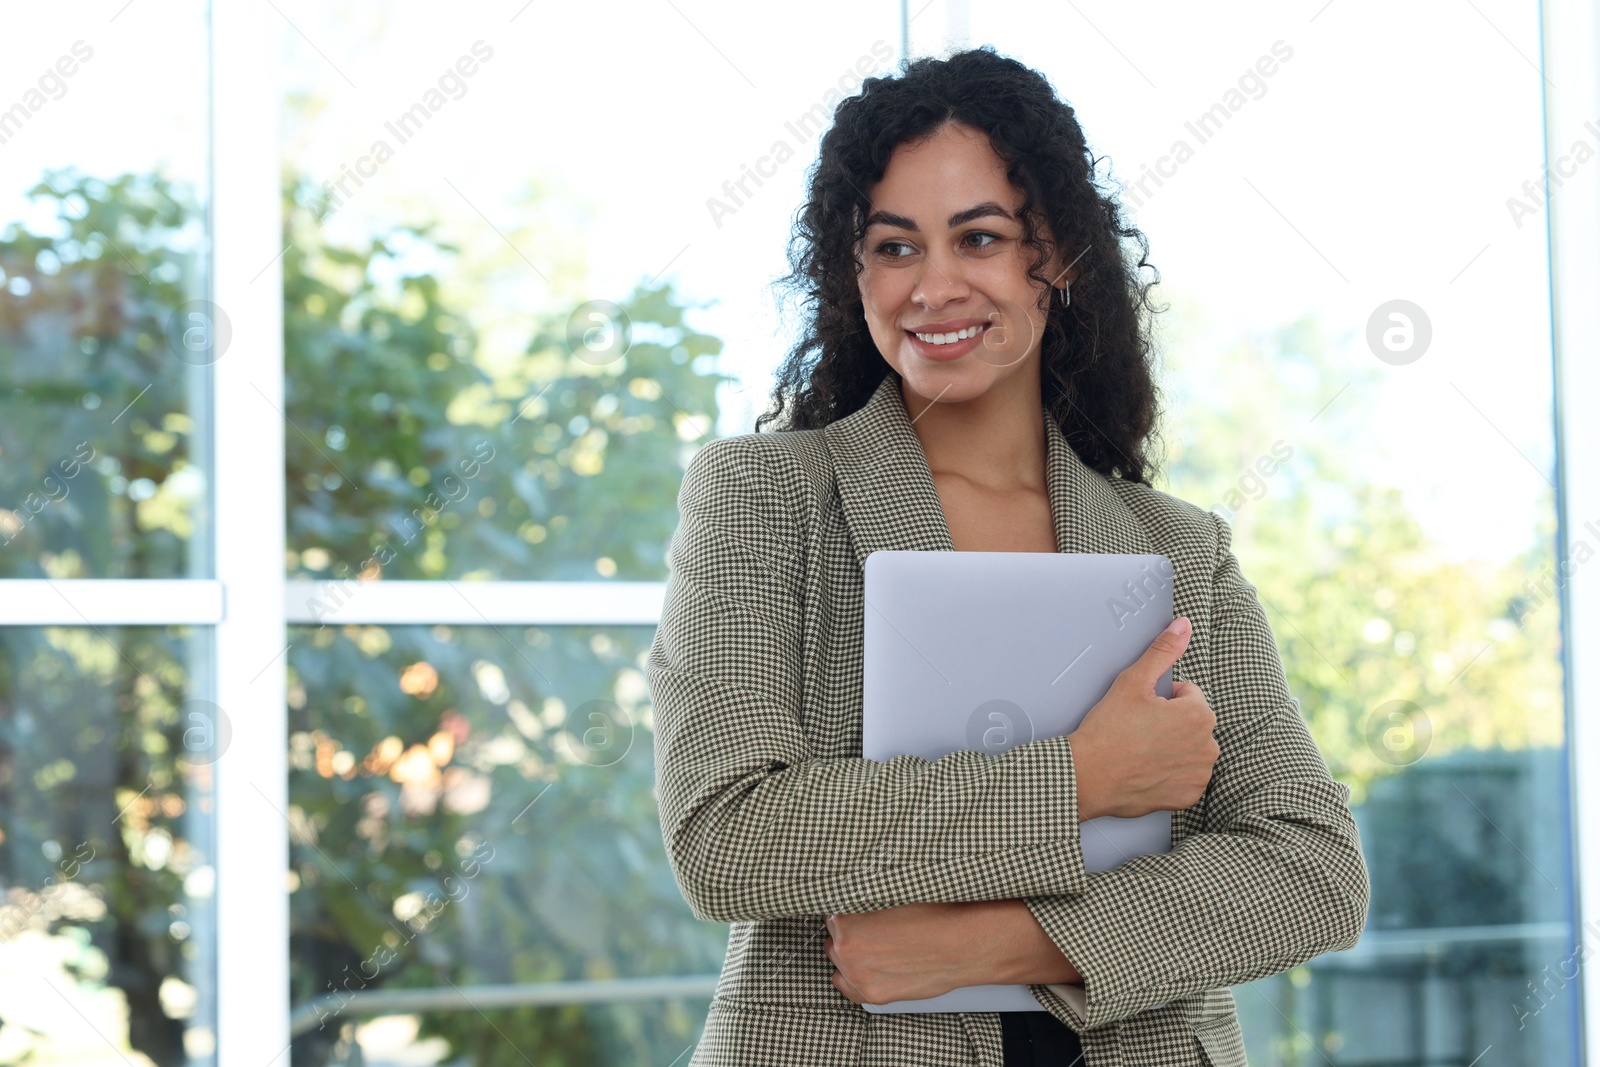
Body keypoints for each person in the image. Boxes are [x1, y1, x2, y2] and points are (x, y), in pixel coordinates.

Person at [646, 46, 1369, 1067]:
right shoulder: (764, 500)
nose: (933, 286)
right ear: (852, 274)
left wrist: (1007, 942)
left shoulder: (1176, 545)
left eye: (977, 238)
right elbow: (729, 834)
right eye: (893, 248)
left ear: (1059, 256)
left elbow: (1310, 869)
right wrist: (1081, 774)